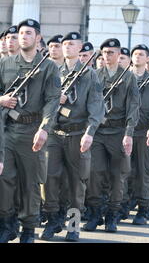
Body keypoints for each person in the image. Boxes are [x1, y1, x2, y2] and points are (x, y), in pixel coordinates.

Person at [0, 19, 61, 243]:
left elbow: (53, 100)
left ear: (38, 38)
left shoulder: (48, 67)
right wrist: (1, 99)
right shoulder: (5, 64)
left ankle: (28, 229)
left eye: (28, 33)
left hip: (33, 131)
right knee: (5, 180)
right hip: (7, 130)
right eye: (21, 33)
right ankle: (7, 224)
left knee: (31, 183)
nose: (23, 36)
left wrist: (45, 128)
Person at [40, 32, 104, 242]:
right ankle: (53, 218)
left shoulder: (89, 74)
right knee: (48, 178)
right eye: (64, 44)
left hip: (78, 133)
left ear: (80, 49)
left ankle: (73, 226)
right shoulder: (51, 71)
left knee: (77, 183)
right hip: (54, 134)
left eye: (71, 44)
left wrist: (90, 132)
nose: (67, 47)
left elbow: (96, 106)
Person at [83, 38, 139, 233]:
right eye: (105, 52)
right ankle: (95, 213)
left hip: (118, 132)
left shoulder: (128, 77)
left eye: (111, 52)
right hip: (98, 132)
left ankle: (112, 216)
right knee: (94, 174)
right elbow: (87, 104)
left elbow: (133, 106)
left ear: (119, 54)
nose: (107, 56)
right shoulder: (94, 75)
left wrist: (129, 133)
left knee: (118, 176)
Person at [125, 44, 149, 225]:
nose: (138, 57)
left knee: (144, 172)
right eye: (135, 54)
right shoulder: (124, 78)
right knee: (123, 172)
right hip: (125, 132)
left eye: (142, 54)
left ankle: (143, 208)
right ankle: (121, 207)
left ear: (147, 58)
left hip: (144, 133)